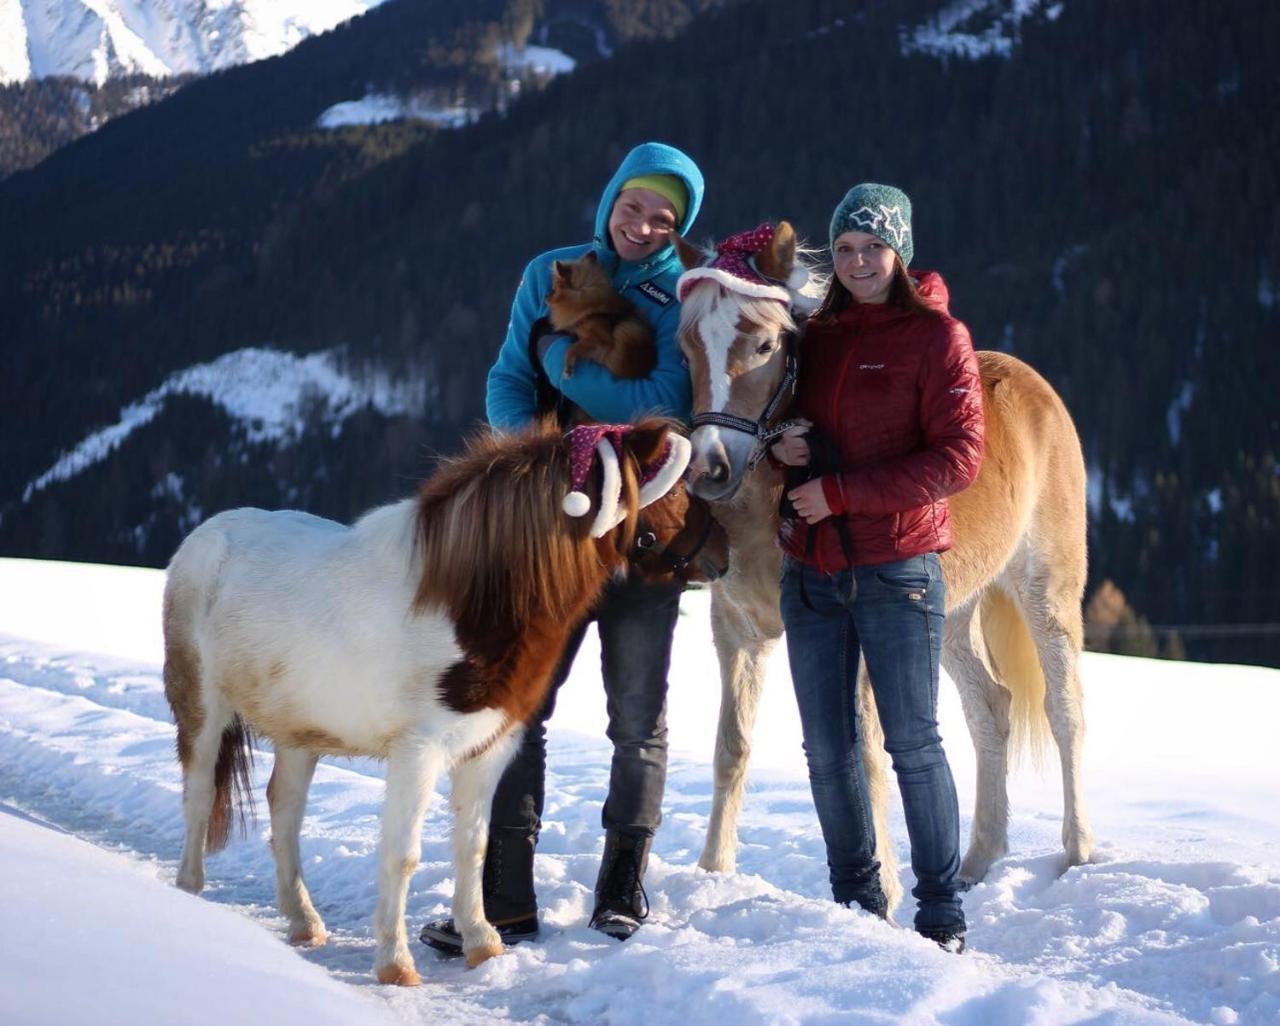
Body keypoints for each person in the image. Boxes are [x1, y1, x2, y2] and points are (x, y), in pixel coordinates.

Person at [420, 141, 705, 952]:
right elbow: (509, 376)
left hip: (647, 529)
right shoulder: (548, 270)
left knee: (637, 718)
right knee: (519, 708)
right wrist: (528, 462)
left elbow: (664, 399)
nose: (644, 225)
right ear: (610, 198)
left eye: (663, 217)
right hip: (552, 531)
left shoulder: (679, 296)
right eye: (633, 205)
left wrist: (562, 362)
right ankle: (504, 897)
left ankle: (622, 891)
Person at [770, 183, 983, 953]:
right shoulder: (813, 334)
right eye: (848, 248)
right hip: (811, 570)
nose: (859, 261)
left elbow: (959, 458)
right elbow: (779, 417)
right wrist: (780, 448)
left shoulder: (938, 338)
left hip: (899, 570)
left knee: (912, 743)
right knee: (826, 750)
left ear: (900, 253)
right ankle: (857, 906)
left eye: (874, 247)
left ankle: (941, 914)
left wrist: (841, 493)